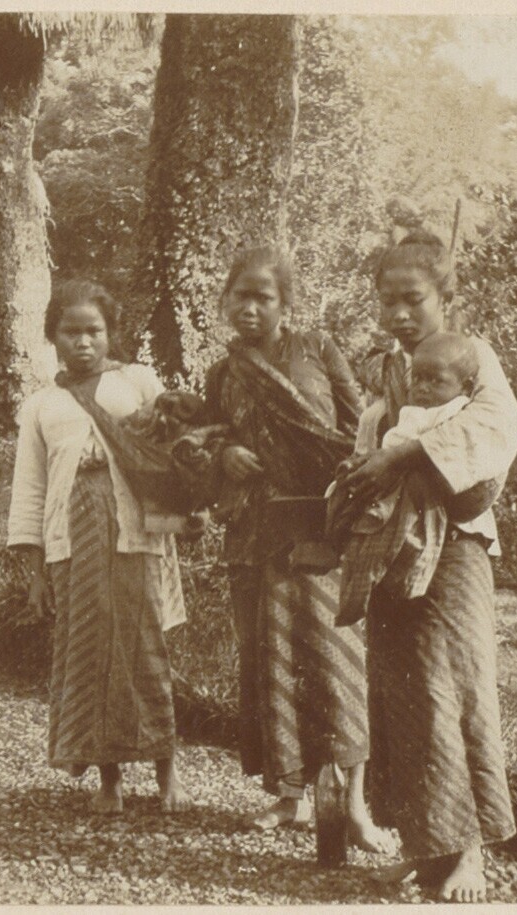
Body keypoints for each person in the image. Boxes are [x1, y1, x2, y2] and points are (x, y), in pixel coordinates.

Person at [338, 229, 517, 902]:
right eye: (388, 301)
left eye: (413, 299)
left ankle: (469, 854)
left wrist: (404, 454)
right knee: (403, 695)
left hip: (454, 545)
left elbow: (497, 427)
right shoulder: (391, 367)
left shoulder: (471, 357)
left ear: (446, 296)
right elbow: (371, 439)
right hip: (393, 546)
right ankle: (424, 848)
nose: (399, 314)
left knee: (455, 689)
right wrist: (364, 467)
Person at [202, 244, 390, 854]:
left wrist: (348, 504)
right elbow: (205, 437)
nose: (251, 308)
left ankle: (355, 806)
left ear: (285, 303)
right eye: (241, 296)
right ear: (226, 301)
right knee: (270, 664)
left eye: (264, 297)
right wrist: (224, 454)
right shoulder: (223, 374)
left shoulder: (318, 350)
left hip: (319, 531)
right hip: (253, 536)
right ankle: (289, 797)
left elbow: (361, 432)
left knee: (338, 665)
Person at [6, 279, 191, 814]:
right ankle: (109, 779)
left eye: (95, 331)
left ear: (111, 334)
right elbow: (30, 489)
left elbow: (176, 451)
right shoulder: (41, 405)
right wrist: (35, 573)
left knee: (144, 649)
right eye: (71, 332)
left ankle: (167, 772)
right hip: (74, 543)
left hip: (137, 536)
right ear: (53, 336)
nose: (83, 342)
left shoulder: (137, 381)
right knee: (91, 654)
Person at [329, 331, 493, 627]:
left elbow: (432, 453)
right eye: (417, 379)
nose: (423, 388)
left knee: (386, 542)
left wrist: (392, 461)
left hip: (415, 495)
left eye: (435, 381)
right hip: (388, 482)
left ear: (464, 387)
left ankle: (359, 594)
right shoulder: (413, 408)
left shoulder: (454, 411)